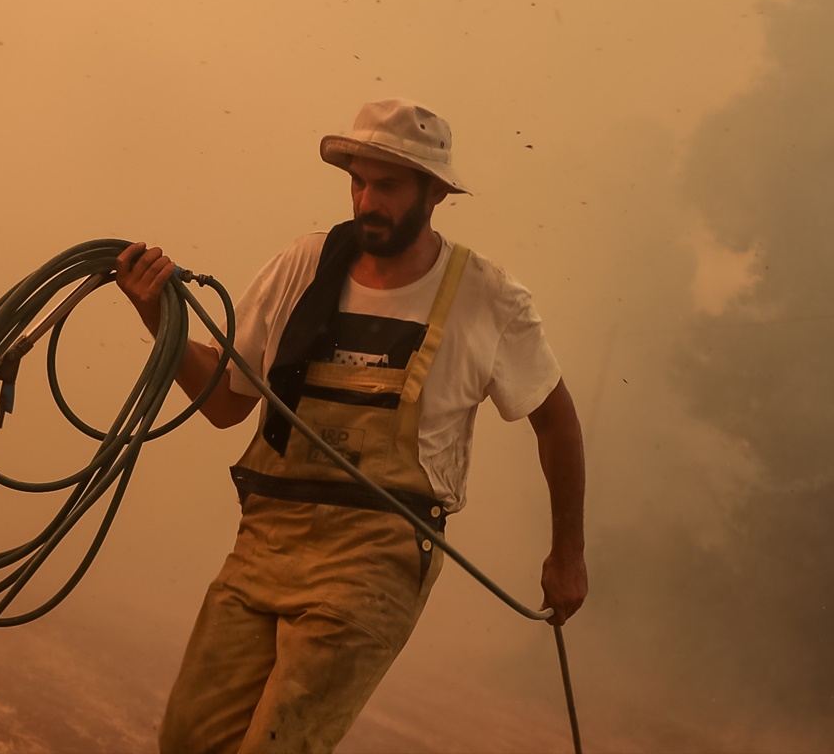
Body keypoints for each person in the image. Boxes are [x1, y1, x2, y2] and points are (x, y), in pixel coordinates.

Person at [115, 98, 588, 754]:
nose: (367, 201)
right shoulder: (303, 267)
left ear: (436, 193)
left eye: (388, 185)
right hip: (266, 537)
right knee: (187, 739)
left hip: (377, 554)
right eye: (358, 182)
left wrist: (568, 554)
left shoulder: (487, 297)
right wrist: (157, 316)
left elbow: (556, 421)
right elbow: (227, 402)